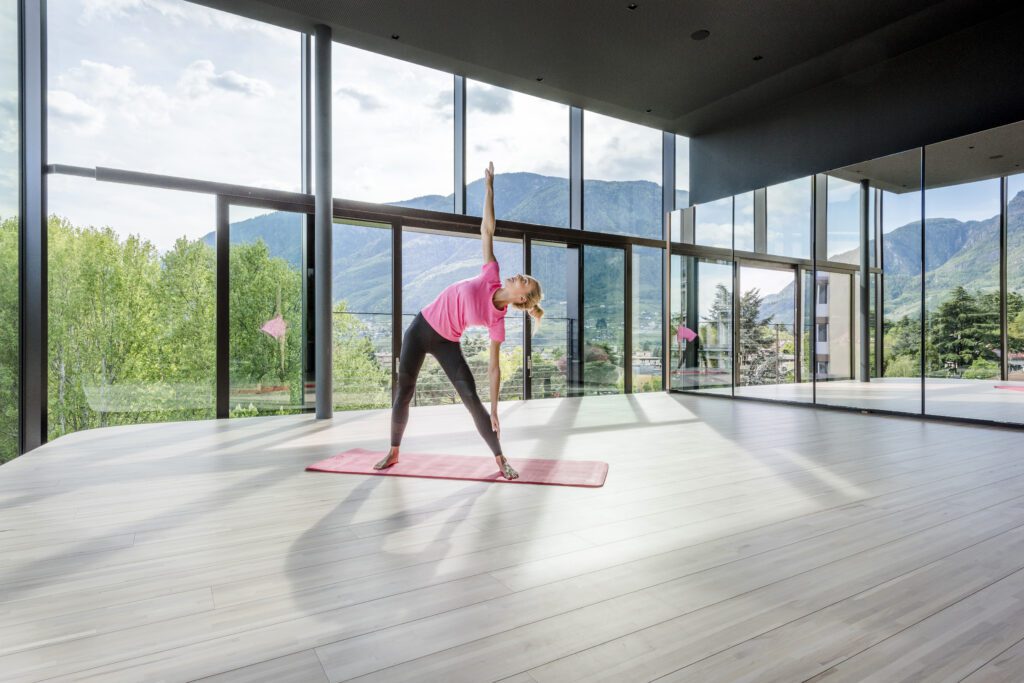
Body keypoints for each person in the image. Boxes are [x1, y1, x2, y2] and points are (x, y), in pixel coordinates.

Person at [375, 162, 544, 480]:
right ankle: (394, 451)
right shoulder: (491, 274)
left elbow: (494, 368)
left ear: (522, 298)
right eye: (521, 275)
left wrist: (496, 408)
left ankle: (500, 458)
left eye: (522, 280)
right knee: (404, 390)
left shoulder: (498, 322)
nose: (517, 275)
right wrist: (489, 188)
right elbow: (487, 229)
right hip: (421, 327)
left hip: (447, 342)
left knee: (471, 399)